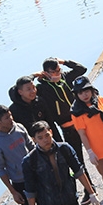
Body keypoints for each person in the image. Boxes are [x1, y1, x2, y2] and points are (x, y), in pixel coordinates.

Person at [34, 58, 93, 192]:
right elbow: (23, 89)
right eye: (53, 72)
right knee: (77, 160)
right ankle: (89, 189)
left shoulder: (66, 78)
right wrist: (35, 76)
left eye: (58, 70)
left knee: (97, 151)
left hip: (84, 123)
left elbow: (81, 69)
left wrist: (63, 62)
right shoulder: (42, 88)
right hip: (68, 129)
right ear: (46, 73)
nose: (57, 73)